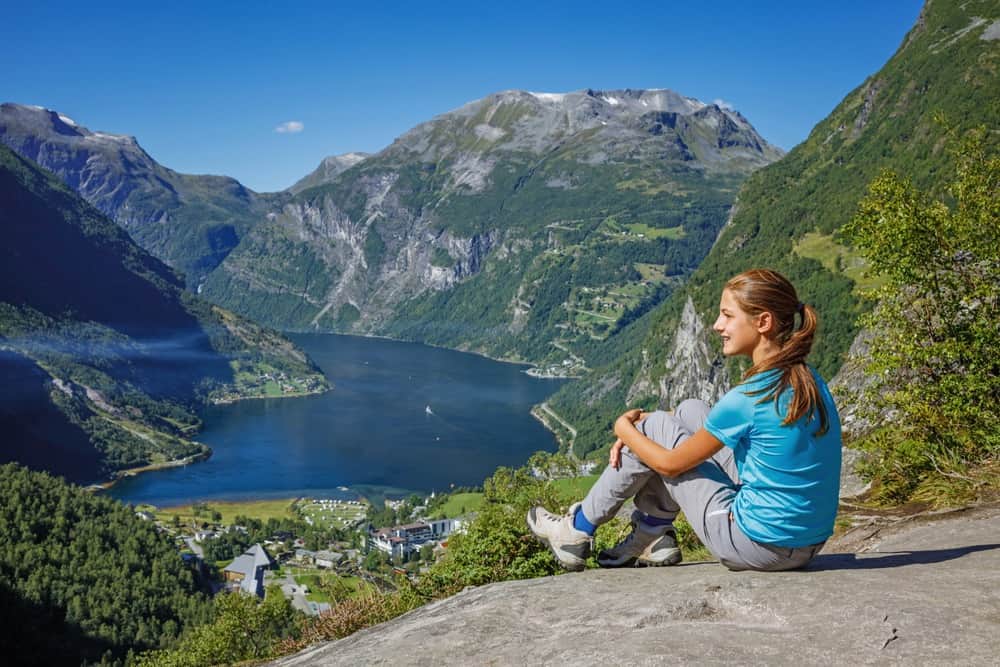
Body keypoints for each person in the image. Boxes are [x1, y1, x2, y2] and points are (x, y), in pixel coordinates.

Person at [527, 268, 842, 572]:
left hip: (755, 544)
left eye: (728, 316)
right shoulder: (807, 380)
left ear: (763, 322)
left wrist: (625, 428)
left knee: (652, 428)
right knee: (690, 410)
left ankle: (577, 529)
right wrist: (653, 425)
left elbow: (670, 465)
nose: (717, 325)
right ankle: (653, 533)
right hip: (805, 542)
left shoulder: (749, 397)